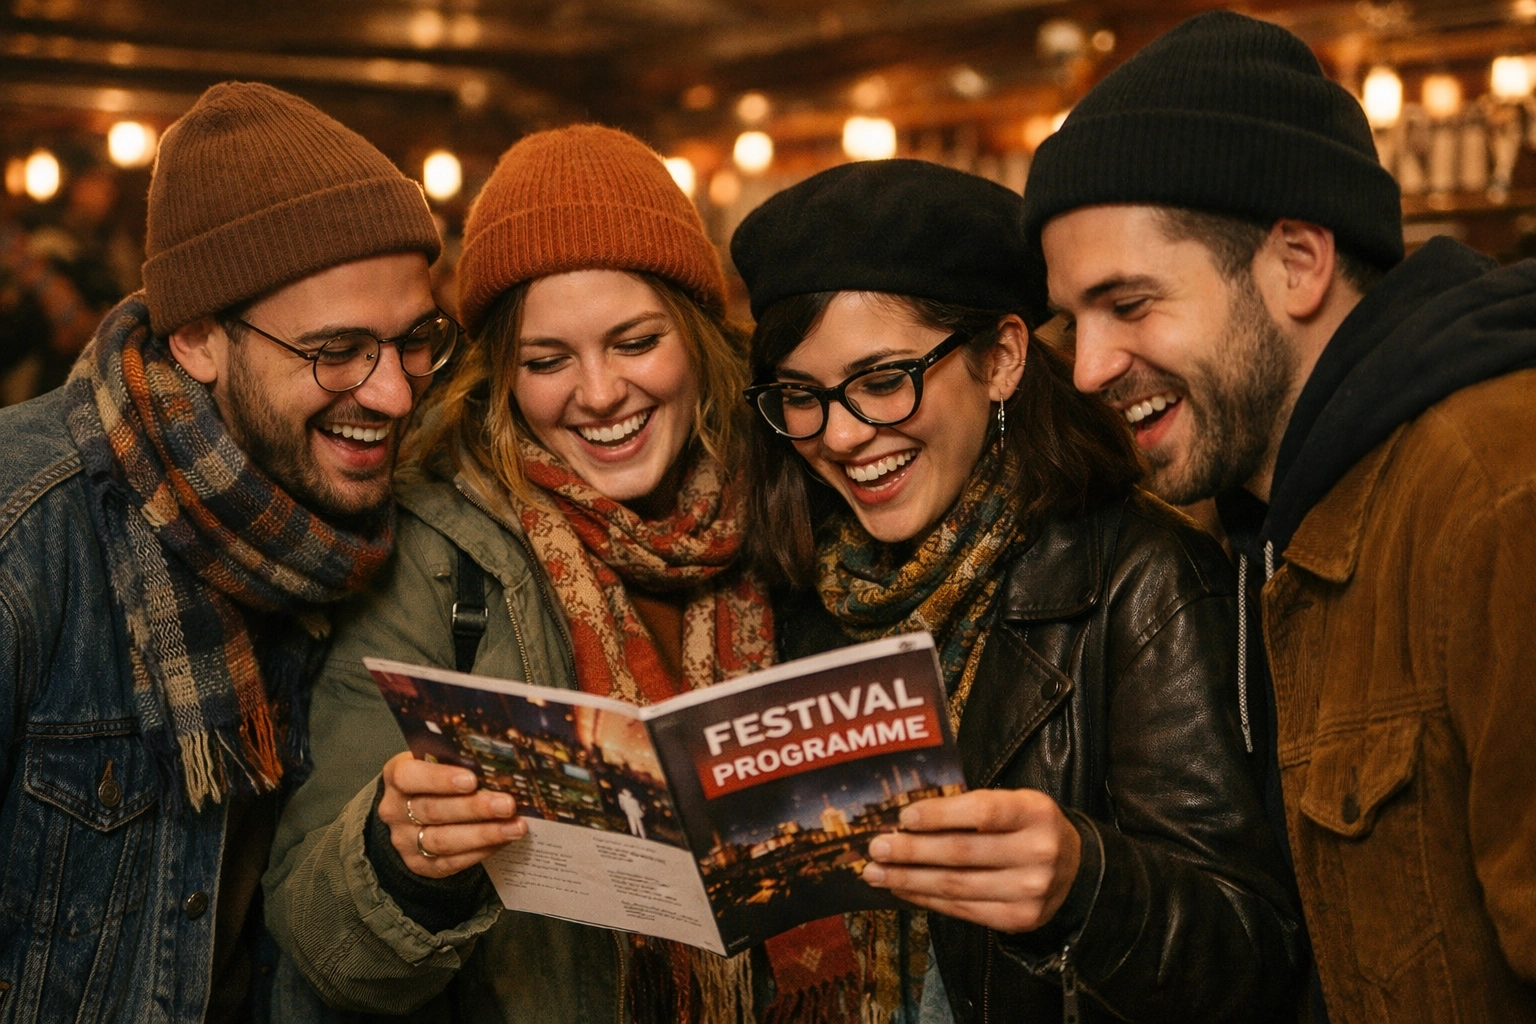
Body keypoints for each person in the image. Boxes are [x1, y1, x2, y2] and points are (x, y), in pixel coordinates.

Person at [1024, 11, 1536, 1023]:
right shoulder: (1267, 511)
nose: (1085, 367)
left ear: (1297, 261)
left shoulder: (1495, 491)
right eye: (1072, 319)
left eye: (1128, 303)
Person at [730, 158, 1302, 1023]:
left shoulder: (1143, 586)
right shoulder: (800, 584)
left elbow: (1254, 952)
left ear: (1000, 359)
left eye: (884, 381)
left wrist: (1085, 883)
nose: (843, 435)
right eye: (803, 397)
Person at [265, 125, 812, 1024]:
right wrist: (401, 861)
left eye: (635, 343)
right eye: (547, 361)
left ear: (701, 337)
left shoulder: (797, 502)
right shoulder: (431, 557)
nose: (598, 395)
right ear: (499, 376)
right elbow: (324, 949)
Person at [0, 81, 447, 1024]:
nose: (397, 395)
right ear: (198, 337)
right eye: (337, 351)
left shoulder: (359, 543)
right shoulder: (26, 537)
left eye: (414, 343)